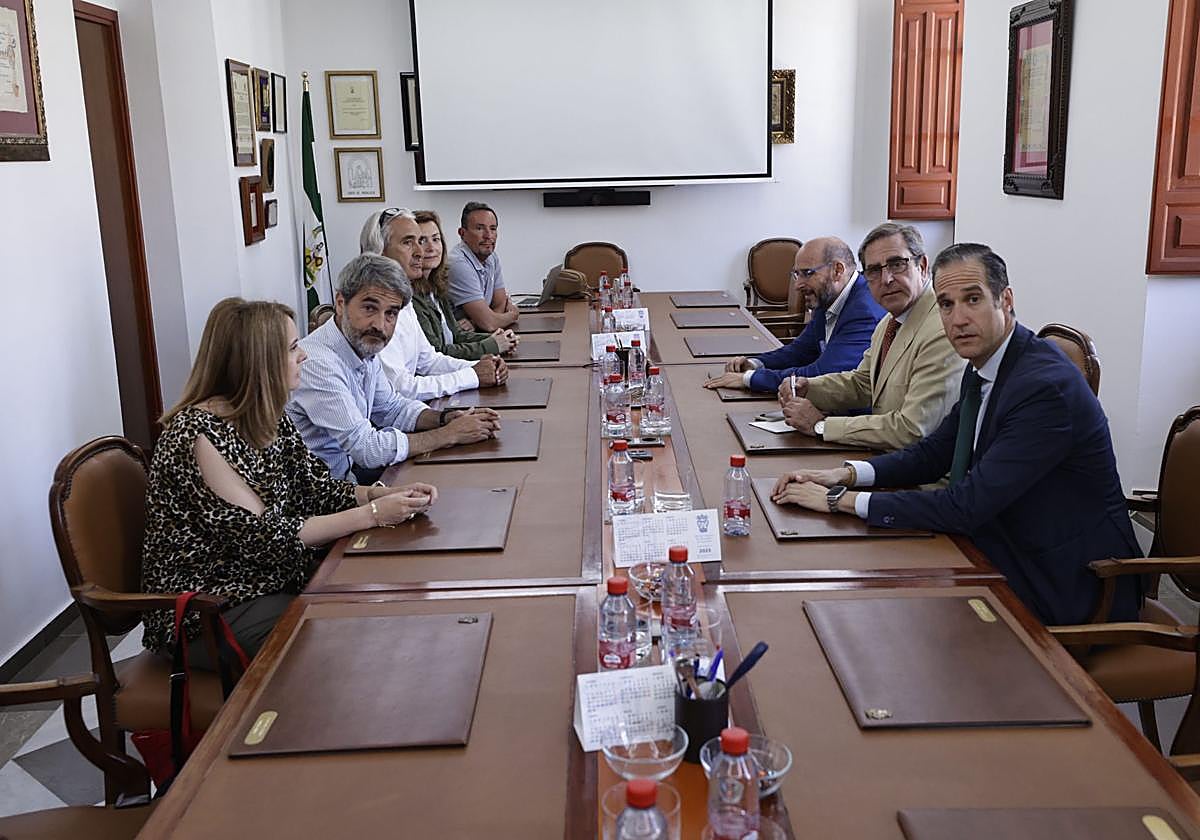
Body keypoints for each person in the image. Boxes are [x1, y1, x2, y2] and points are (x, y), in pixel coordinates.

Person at [771, 244, 1141, 626]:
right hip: (1003, 542)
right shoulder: (988, 360)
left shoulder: (1045, 389)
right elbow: (935, 453)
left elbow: (966, 506)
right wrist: (845, 474)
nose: (958, 318)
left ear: (1006, 300)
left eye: (973, 299)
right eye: (946, 304)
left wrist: (837, 501)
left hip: (1069, 581)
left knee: (889, 615)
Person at [142, 298, 438, 665]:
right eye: (293, 347)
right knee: (344, 636)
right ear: (259, 362)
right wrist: (375, 513)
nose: (304, 357)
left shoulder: (266, 415)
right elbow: (270, 538)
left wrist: (385, 494)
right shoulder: (196, 436)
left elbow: (316, 488)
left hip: (268, 581)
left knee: (381, 596)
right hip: (212, 608)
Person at [287, 254, 502, 483]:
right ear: (340, 303)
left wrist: (446, 418)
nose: (380, 325)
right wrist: (450, 435)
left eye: (391, 313)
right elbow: (367, 449)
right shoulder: (317, 363)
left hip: (348, 477)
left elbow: (392, 408)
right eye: (370, 308)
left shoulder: (363, 344)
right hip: (323, 494)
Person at [778, 222, 960, 452]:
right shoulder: (890, 321)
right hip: (884, 459)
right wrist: (809, 388)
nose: (886, 279)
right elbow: (864, 383)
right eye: (874, 271)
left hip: (920, 479)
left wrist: (822, 426)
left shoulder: (942, 329)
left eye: (897, 265)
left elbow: (912, 429)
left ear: (922, 266)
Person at [360, 208, 507, 399]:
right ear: (379, 251)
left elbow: (429, 361)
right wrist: (473, 375)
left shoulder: (402, 299)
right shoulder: (371, 308)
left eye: (419, 242)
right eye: (407, 243)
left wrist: (482, 365)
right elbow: (401, 388)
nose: (420, 252)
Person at [703, 236, 884, 393]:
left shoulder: (864, 311)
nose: (798, 285)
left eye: (807, 273)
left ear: (837, 270)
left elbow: (823, 374)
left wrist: (749, 379)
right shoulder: (829, 296)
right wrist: (756, 363)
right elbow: (800, 351)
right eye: (797, 274)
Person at [412, 209, 519, 360]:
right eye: (422, 241)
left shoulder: (436, 286)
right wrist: (494, 342)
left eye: (436, 239)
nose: (431, 248)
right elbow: (437, 353)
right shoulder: (412, 298)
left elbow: (456, 334)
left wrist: (496, 339)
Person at [446, 201, 519, 331]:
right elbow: (489, 324)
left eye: (493, 229)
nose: (488, 236)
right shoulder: (458, 264)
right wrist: (512, 315)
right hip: (456, 342)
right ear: (462, 233)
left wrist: (476, 322)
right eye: (480, 228)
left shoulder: (492, 257)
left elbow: (500, 303)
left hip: (476, 333)